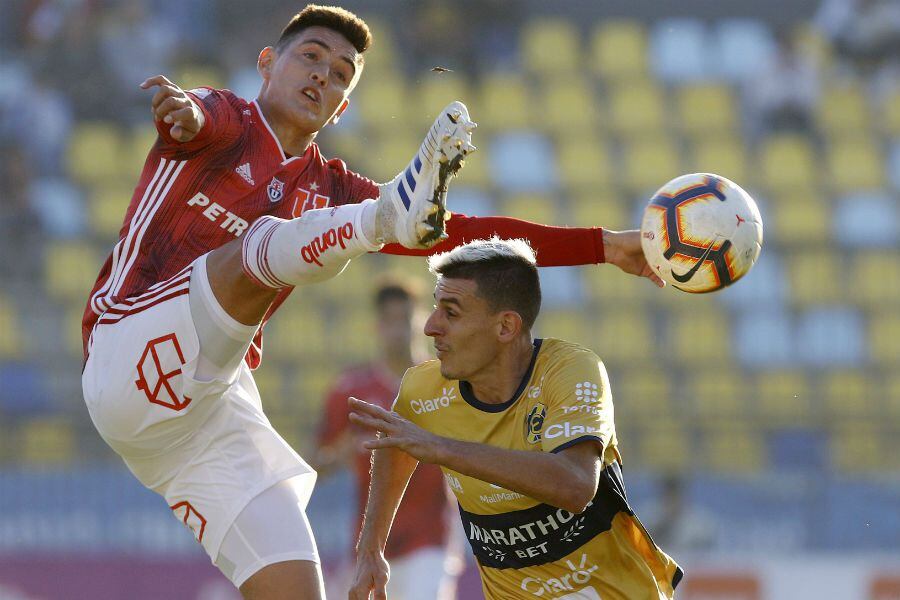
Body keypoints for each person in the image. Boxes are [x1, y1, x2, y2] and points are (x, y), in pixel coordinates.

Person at [80, 4, 661, 597]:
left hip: (205, 412)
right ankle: (391, 214)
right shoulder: (227, 118)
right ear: (266, 63)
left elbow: (468, 237)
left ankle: (394, 216)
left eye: (339, 75)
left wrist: (603, 245)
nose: (321, 77)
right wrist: (183, 113)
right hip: (125, 350)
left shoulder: (329, 188)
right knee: (267, 242)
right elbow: (198, 118)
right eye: (310, 57)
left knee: (296, 585)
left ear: (344, 106)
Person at [349, 238, 682, 600]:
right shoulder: (422, 389)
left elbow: (575, 485)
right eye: (435, 308)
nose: (430, 326)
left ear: (506, 327)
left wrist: (441, 448)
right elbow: (397, 447)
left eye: (452, 312)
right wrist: (371, 548)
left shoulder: (570, 370)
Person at [315, 278, 461, 599]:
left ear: (421, 320)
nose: (399, 329)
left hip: (430, 537)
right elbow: (315, 462)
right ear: (377, 326)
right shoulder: (351, 389)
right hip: (370, 540)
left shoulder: (447, 382)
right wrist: (338, 455)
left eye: (405, 318)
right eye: (390, 320)